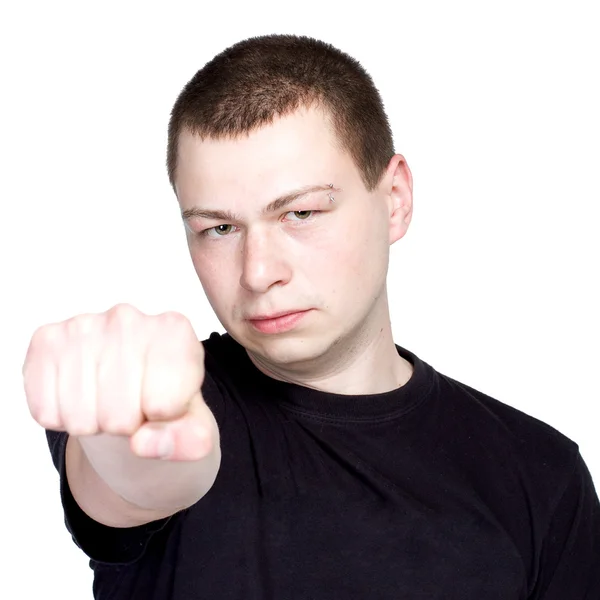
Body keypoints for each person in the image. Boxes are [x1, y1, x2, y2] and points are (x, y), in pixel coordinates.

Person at [23, 34, 599, 599]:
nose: (257, 272)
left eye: (300, 212)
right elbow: (135, 480)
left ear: (394, 198)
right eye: (219, 228)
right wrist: (138, 437)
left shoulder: (540, 475)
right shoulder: (155, 395)